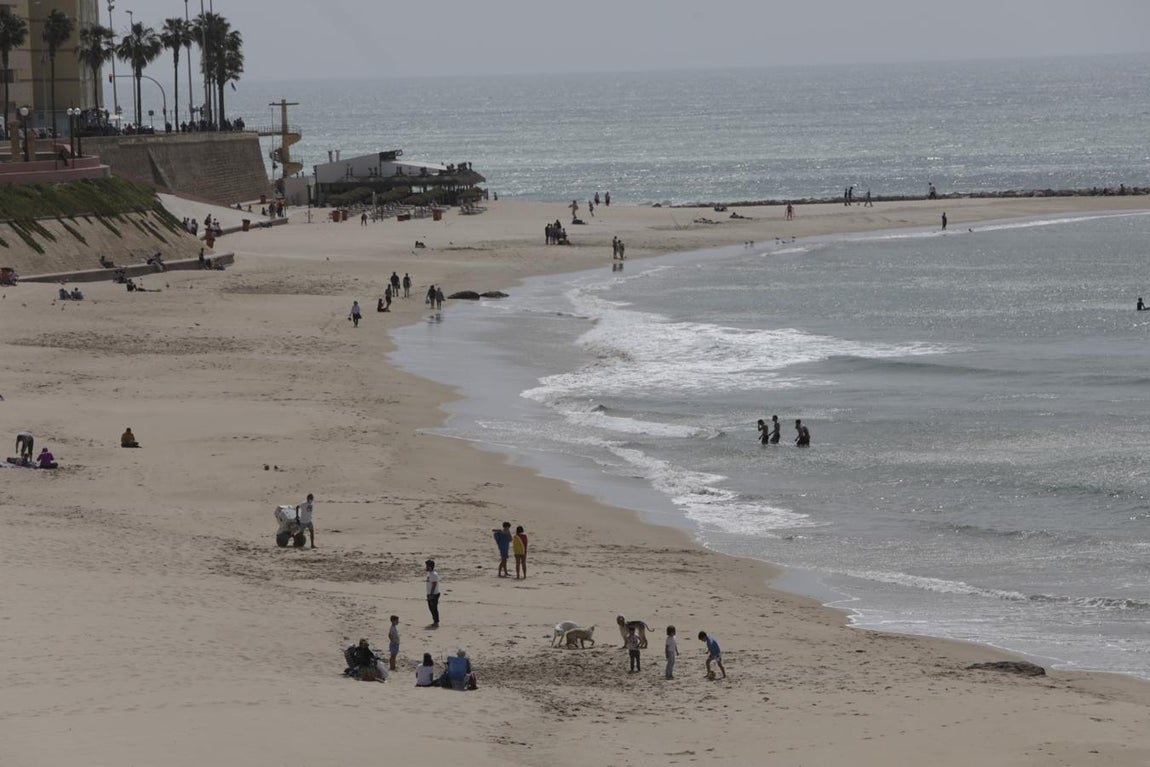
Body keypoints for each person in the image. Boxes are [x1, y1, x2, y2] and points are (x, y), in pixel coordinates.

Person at [425, 559, 441, 626]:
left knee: (433, 608)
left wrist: (431, 594)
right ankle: (435, 621)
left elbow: (434, 585)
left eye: (427, 566)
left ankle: (436, 622)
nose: (426, 567)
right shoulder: (430, 574)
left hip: (434, 594)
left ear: (430, 567)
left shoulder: (434, 574)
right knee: (431, 608)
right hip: (430, 594)